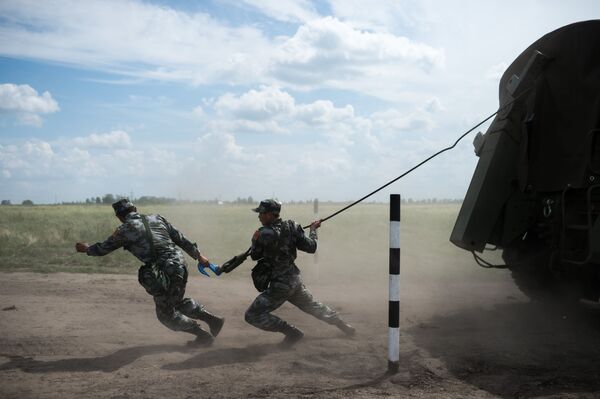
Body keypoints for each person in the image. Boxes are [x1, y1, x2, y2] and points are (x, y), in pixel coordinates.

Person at [75, 199, 224, 346]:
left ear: (119, 216)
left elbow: (102, 249)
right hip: (180, 264)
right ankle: (212, 320)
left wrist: (86, 249)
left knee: (165, 314)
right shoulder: (157, 218)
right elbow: (180, 238)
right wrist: (199, 256)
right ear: (135, 209)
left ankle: (203, 336)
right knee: (175, 302)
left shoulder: (125, 229)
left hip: (162, 270)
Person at [244, 199, 355, 346]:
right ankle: (343, 325)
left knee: (252, 315)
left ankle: (291, 332)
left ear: (271, 215)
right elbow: (312, 247)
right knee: (313, 306)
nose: (259, 216)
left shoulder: (263, 233)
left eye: (262, 213)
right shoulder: (292, 227)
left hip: (280, 285)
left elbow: (255, 256)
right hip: (294, 280)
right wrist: (314, 229)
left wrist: (254, 240)